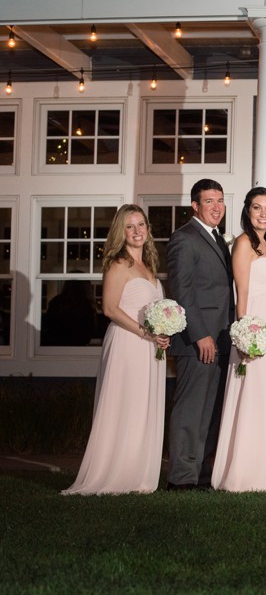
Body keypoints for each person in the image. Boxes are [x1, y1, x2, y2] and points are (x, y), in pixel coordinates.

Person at [63, 205, 170, 495]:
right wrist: (144, 332)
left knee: (143, 406)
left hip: (149, 348)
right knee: (126, 404)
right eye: (130, 226)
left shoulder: (148, 265)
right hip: (127, 343)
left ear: (148, 230)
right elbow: (109, 308)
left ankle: (138, 474)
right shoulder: (117, 264)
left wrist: (162, 332)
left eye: (141, 225)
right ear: (120, 232)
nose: (137, 231)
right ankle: (115, 472)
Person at [211, 187, 266, 492]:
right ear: (247, 211)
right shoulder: (244, 243)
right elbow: (240, 293)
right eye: (257, 208)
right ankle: (244, 472)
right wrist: (244, 336)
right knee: (251, 394)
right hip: (254, 323)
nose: (263, 214)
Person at [166, 179, 234, 491]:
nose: (217, 207)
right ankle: (180, 478)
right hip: (198, 342)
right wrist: (200, 335)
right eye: (210, 201)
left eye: (220, 200)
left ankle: (200, 474)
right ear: (195, 205)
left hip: (220, 339)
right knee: (190, 409)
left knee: (210, 410)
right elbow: (182, 290)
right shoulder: (184, 238)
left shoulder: (218, 239)